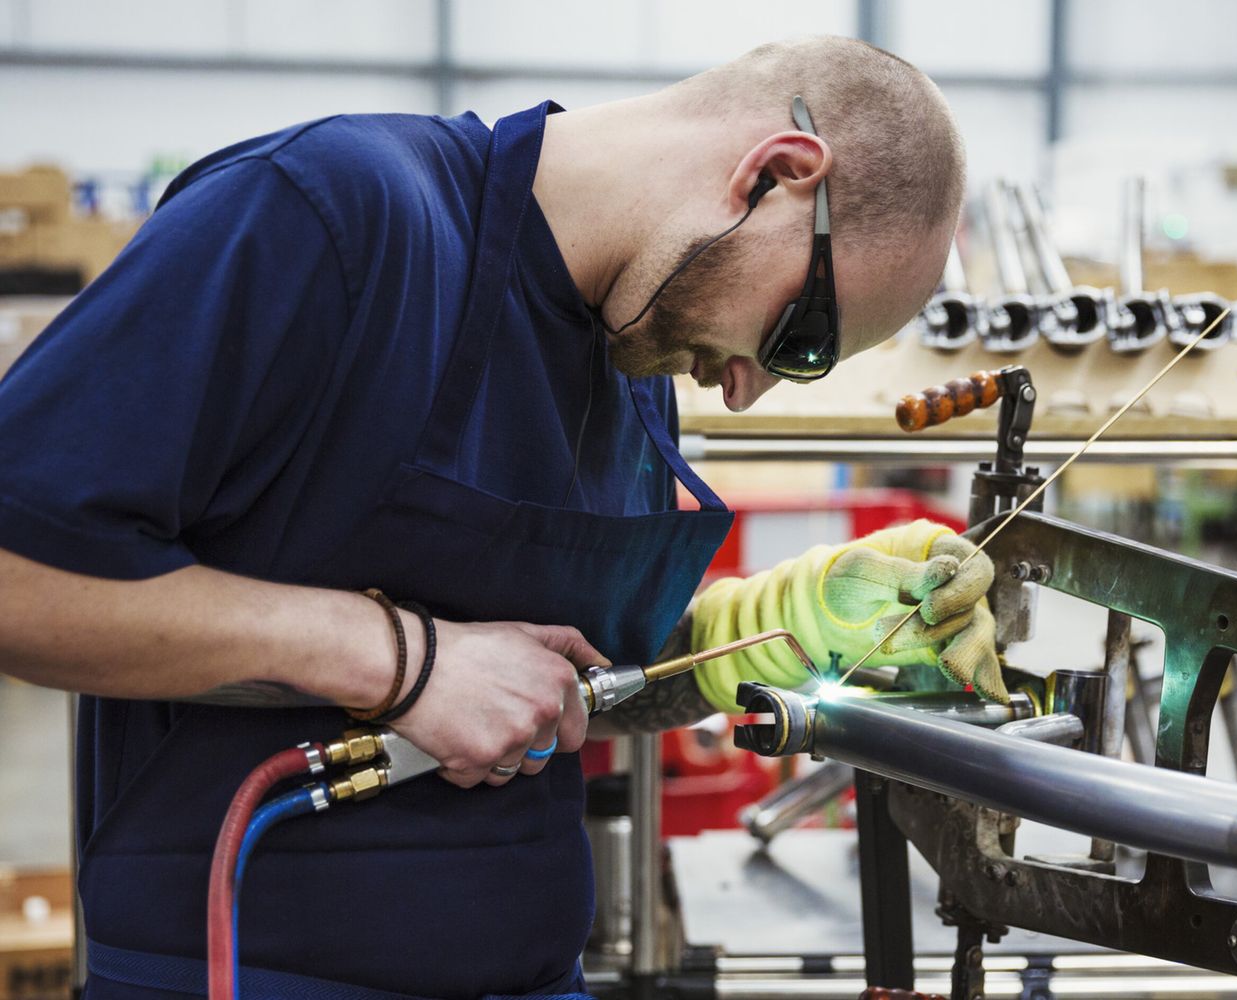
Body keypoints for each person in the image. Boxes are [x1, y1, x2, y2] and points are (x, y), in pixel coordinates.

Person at [0, 36, 997, 1000]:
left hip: (533, 972)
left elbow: (571, 686)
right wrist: (397, 659)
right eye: (800, 336)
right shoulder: (331, 216)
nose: (747, 389)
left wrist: (774, 628)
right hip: (247, 966)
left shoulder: (633, 353)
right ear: (775, 173)